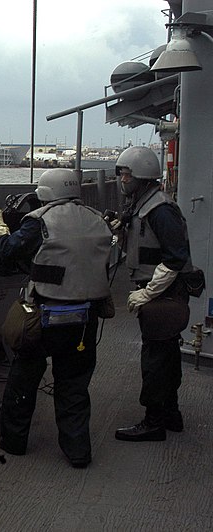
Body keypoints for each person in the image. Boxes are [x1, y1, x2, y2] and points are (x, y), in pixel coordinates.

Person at [0, 168, 113, 468]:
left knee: (23, 381)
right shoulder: (98, 219)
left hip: (44, 319)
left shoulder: (39, 221)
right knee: (73, 386)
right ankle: (78, 451)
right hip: (85, 322)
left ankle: (13, 443)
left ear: (45, 193)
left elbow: (8, 250)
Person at [113, 146, 193, 442]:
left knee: (156, 358)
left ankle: (154, 421)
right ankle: (171, 414)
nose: (122, 179)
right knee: (167, 354)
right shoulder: (144, 205)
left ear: (140, 176)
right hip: (161, 293)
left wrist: (148, 293)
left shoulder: (160, 210)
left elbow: (175, 257)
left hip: (164, 294)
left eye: (125, 173)